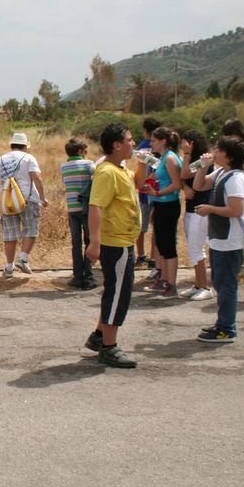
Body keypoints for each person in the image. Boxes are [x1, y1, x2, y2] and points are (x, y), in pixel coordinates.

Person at [84, 123, 145, 369]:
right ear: (117, 145)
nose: (133, 143)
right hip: (115, 244)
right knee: (118, 294)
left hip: (124, 242)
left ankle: (100, 336)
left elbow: (138, 182)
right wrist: (94, 242)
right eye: (129, 140)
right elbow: (95, 206)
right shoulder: (107, 172)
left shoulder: (121, 169)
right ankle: (109, 347)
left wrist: (144, 164)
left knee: (115, 290)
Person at [193, 137, 244, 343]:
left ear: (230, 157)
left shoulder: (235, 179)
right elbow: (199, 185)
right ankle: (222, 323)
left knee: (226, 286)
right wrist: (203, 166)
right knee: (219, 282)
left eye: (220, 150)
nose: (215, 152)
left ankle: (227, 329)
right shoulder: (221, 173)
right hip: (219, 239)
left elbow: (236, 209)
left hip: (230, 241)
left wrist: (210, 209)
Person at [0, 132, 48, 277]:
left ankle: (9, 268)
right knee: (31, 228)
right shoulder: (29, 158)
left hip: (7, 203)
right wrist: (42, 198)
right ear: (26, 146)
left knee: (10, 234)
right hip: (28, 199)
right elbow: (37, 178)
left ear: (11, 145)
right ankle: (23, 258)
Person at [142, 127, 182, 297]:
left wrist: (157, 193)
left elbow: (176, 184)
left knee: (168, 245)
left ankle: (171, 284)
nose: (151, 143)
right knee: (161, 244)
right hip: (161, 204)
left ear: (163, 141)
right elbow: (165, 178)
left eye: (154, 140)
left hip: (168, 204)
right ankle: (164, 279)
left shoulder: (170, 158)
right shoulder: (164, 158)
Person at [178, 130, 213, 301]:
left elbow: (185, 173)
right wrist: (185, 187)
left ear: (191, 143)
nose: (182, 145)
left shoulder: (203, 160)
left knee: (197, 248)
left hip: (200, 210)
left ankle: (205, 286)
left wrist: (186, 155)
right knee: (193, 248)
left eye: (184, 142)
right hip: (191, 209)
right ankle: (198, 284)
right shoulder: (193, 160)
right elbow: (182, 178)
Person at [60, 137, 96, 289]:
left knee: (76, 244)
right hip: (87, 208)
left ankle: (77, 276)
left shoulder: (64, 167)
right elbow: (97, 174)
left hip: (72, 208)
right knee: (89, 241)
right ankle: (89, 276)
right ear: (80, 151)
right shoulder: (88, 164)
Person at [136, 117, 161, 268]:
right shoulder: (161, 147)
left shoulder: (141, 147)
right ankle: (153, 257)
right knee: (156, 226)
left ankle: (141, 255)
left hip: (144, 191)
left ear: (145, 130)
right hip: (158, 191)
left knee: (141, 226)